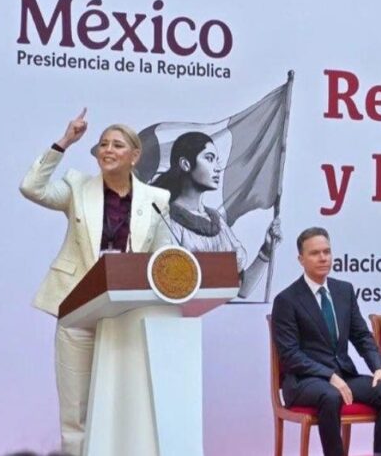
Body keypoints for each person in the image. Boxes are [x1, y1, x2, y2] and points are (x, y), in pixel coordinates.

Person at [19, 109, 173, 455]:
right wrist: (64, 142)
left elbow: (162, 259)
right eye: (103, 143)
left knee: (128, 406)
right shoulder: (77, 187)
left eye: (117, 145)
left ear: (134, 157)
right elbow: (31, 187)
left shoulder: (157, 201)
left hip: (129, 315)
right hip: (78, 309)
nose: (107, 149)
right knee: (77, 411)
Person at [270, 227, 381, 456]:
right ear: (301, 259)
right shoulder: (286, 300)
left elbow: (361, 336)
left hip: (343, 375)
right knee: (330, 395)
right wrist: (329, 376)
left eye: (327, 251)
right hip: (304, 381)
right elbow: (290, 355)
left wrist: (379, 368)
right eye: (315, 253)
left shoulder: (344, 291)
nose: (323, 258)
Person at [150, 131, 281, 298]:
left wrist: (266, 251)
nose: (218, 168)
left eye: (217, 161)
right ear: (185, 164)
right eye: (209, 159)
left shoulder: (217, 221)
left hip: (222, 321)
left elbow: (242, 290)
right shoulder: (165, 220)